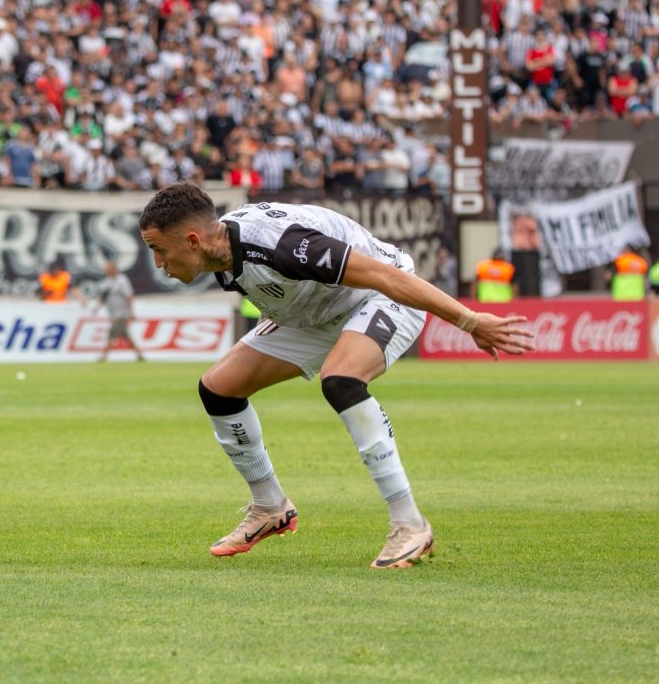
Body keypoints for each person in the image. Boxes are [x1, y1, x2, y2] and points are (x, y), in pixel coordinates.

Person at [137, 183, 534, 569]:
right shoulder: (219, 250)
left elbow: (386, 277)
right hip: (313, 315)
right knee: (218, 389)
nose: (158, 263)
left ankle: (410, 525)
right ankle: (270, 506)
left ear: (192, 240)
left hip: (380, 297)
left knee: (340, 379)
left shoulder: (282, 245)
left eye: (158, 250)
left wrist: (469, 320)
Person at [94, 260, 143, 363]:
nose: (106, 270)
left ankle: (103, 357)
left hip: (121, 314)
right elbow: (103, 297)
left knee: (112, 334)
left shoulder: (122, 280)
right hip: (113, 314)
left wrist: (131, 312)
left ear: (114, 269)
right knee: (126, 336)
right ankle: (139, 355)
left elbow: (128, 296)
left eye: (108, 268)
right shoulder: (105, 282)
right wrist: (97, 307)